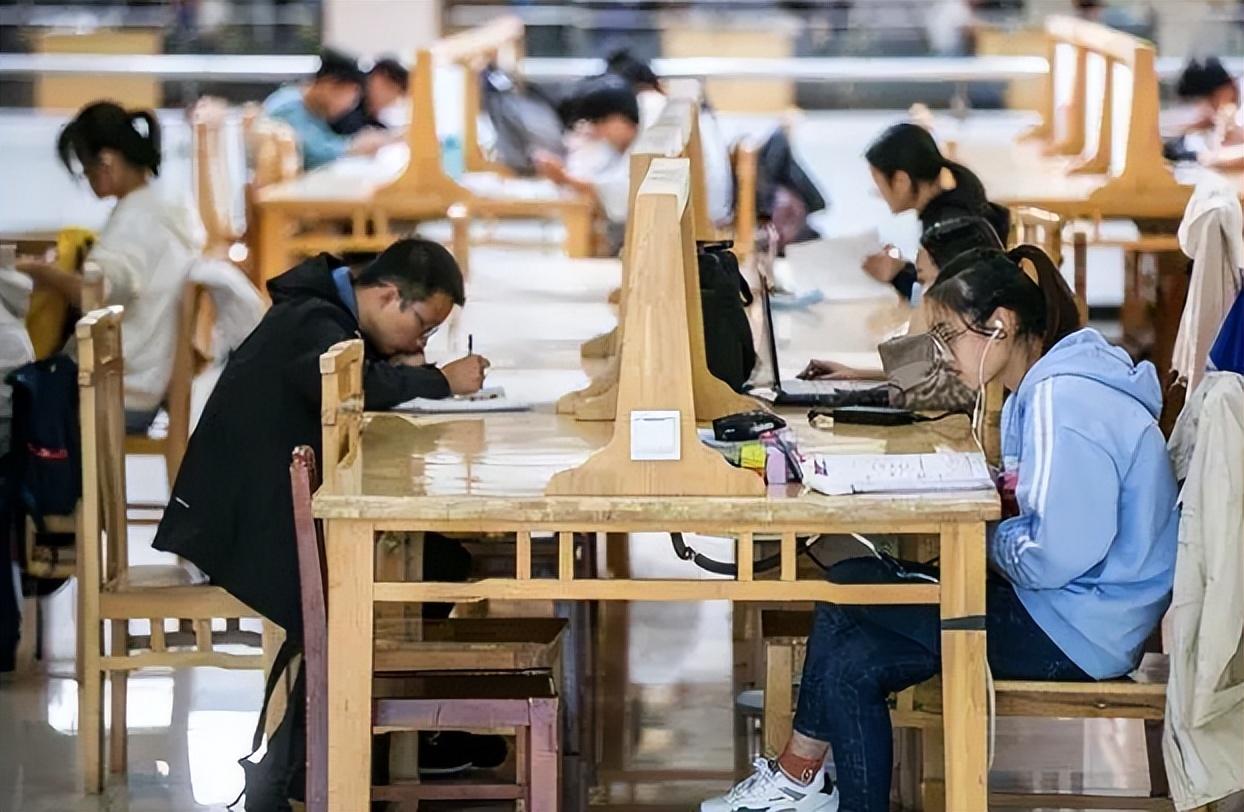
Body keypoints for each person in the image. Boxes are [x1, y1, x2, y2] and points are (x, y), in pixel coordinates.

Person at [703, 253, 1179, 812]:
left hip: (1073, 630)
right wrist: (995, 517)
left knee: (849, 589)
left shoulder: (1063, 398)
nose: (943, 355)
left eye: (948, 336)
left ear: (1000, 325)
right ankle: (804, 781)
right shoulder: (1049, 385)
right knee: (855, 661)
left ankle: (797, 776)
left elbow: (1056, 555)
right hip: (1080, 615)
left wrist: (984, 538)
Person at [153, 239, 488, 643]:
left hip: (261, 509)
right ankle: (355, 672)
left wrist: (398, 364)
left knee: (433, 557)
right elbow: (350, 384)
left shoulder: (325, 312)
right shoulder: (310, 318)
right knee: (431, 565)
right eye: (424, 326)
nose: (422, 342)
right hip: (243, 529)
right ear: (388, 296)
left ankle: (373, 669)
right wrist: (440, 380)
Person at [16, 101, 201, 433]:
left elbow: (95, 294)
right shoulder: (166, 206)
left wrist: (42, 272)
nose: (87, 180)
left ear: (107, 163)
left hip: (119, 391)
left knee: (13, 396)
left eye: (85, 170)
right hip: (148, 379)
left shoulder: (133, 222)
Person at [800, 215, 1005, 381]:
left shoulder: (980, 336)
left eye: (925, 281)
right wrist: (855, 373)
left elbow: (911, 376)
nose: (923, 291)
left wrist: (924, 310)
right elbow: (921, 374)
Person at [860, 123, 1009, 303]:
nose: (878, 193)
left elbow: (952, 304)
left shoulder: (948, 230)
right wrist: (899, 272)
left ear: (901, 181)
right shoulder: (954, 210)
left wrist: (899, 275)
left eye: (879, 184)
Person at [604, 48, 734, 225]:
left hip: (692, 219)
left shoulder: (650, 104)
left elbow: (625, 194)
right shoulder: (683, 105)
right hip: (714, 209)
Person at [534, 75, 642, 250]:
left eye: (601, 122)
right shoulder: (615, 147)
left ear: (620, 118)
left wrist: (564, 178)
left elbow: (619, 194)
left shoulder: (642, 148)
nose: (598, 131)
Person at [263, 48, 395, 170]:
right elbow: (310, 152)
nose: (349, 106)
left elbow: (324, 141)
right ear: (329, 85)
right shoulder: (287, 108)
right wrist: (354, 147)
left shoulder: (314, 111)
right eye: (348, 96)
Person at [331, 56, 410, 135]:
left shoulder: (379, 128)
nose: (391, 97)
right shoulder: (345, 105)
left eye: (399, 93)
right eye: (389, 87)